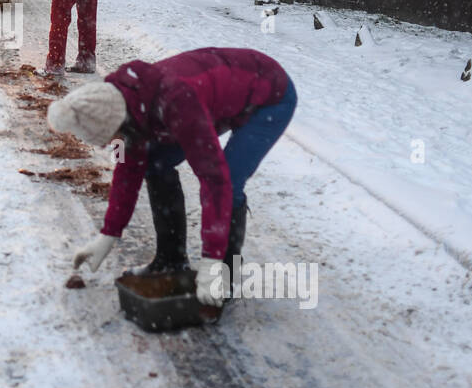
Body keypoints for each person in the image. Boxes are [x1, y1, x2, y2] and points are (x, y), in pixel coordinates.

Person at [48, 48, 297, 308]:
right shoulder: (127, 108)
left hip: (269, 95)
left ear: (119, 125)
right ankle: (171, 260)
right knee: (155, 163)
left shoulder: (176, 102)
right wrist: (108, 234)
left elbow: (214, 180)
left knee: (230, 180)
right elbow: (127, 172)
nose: (113, 146)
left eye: (111, 140)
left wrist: (211, 260)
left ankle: (224, 274)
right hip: (219, 98)